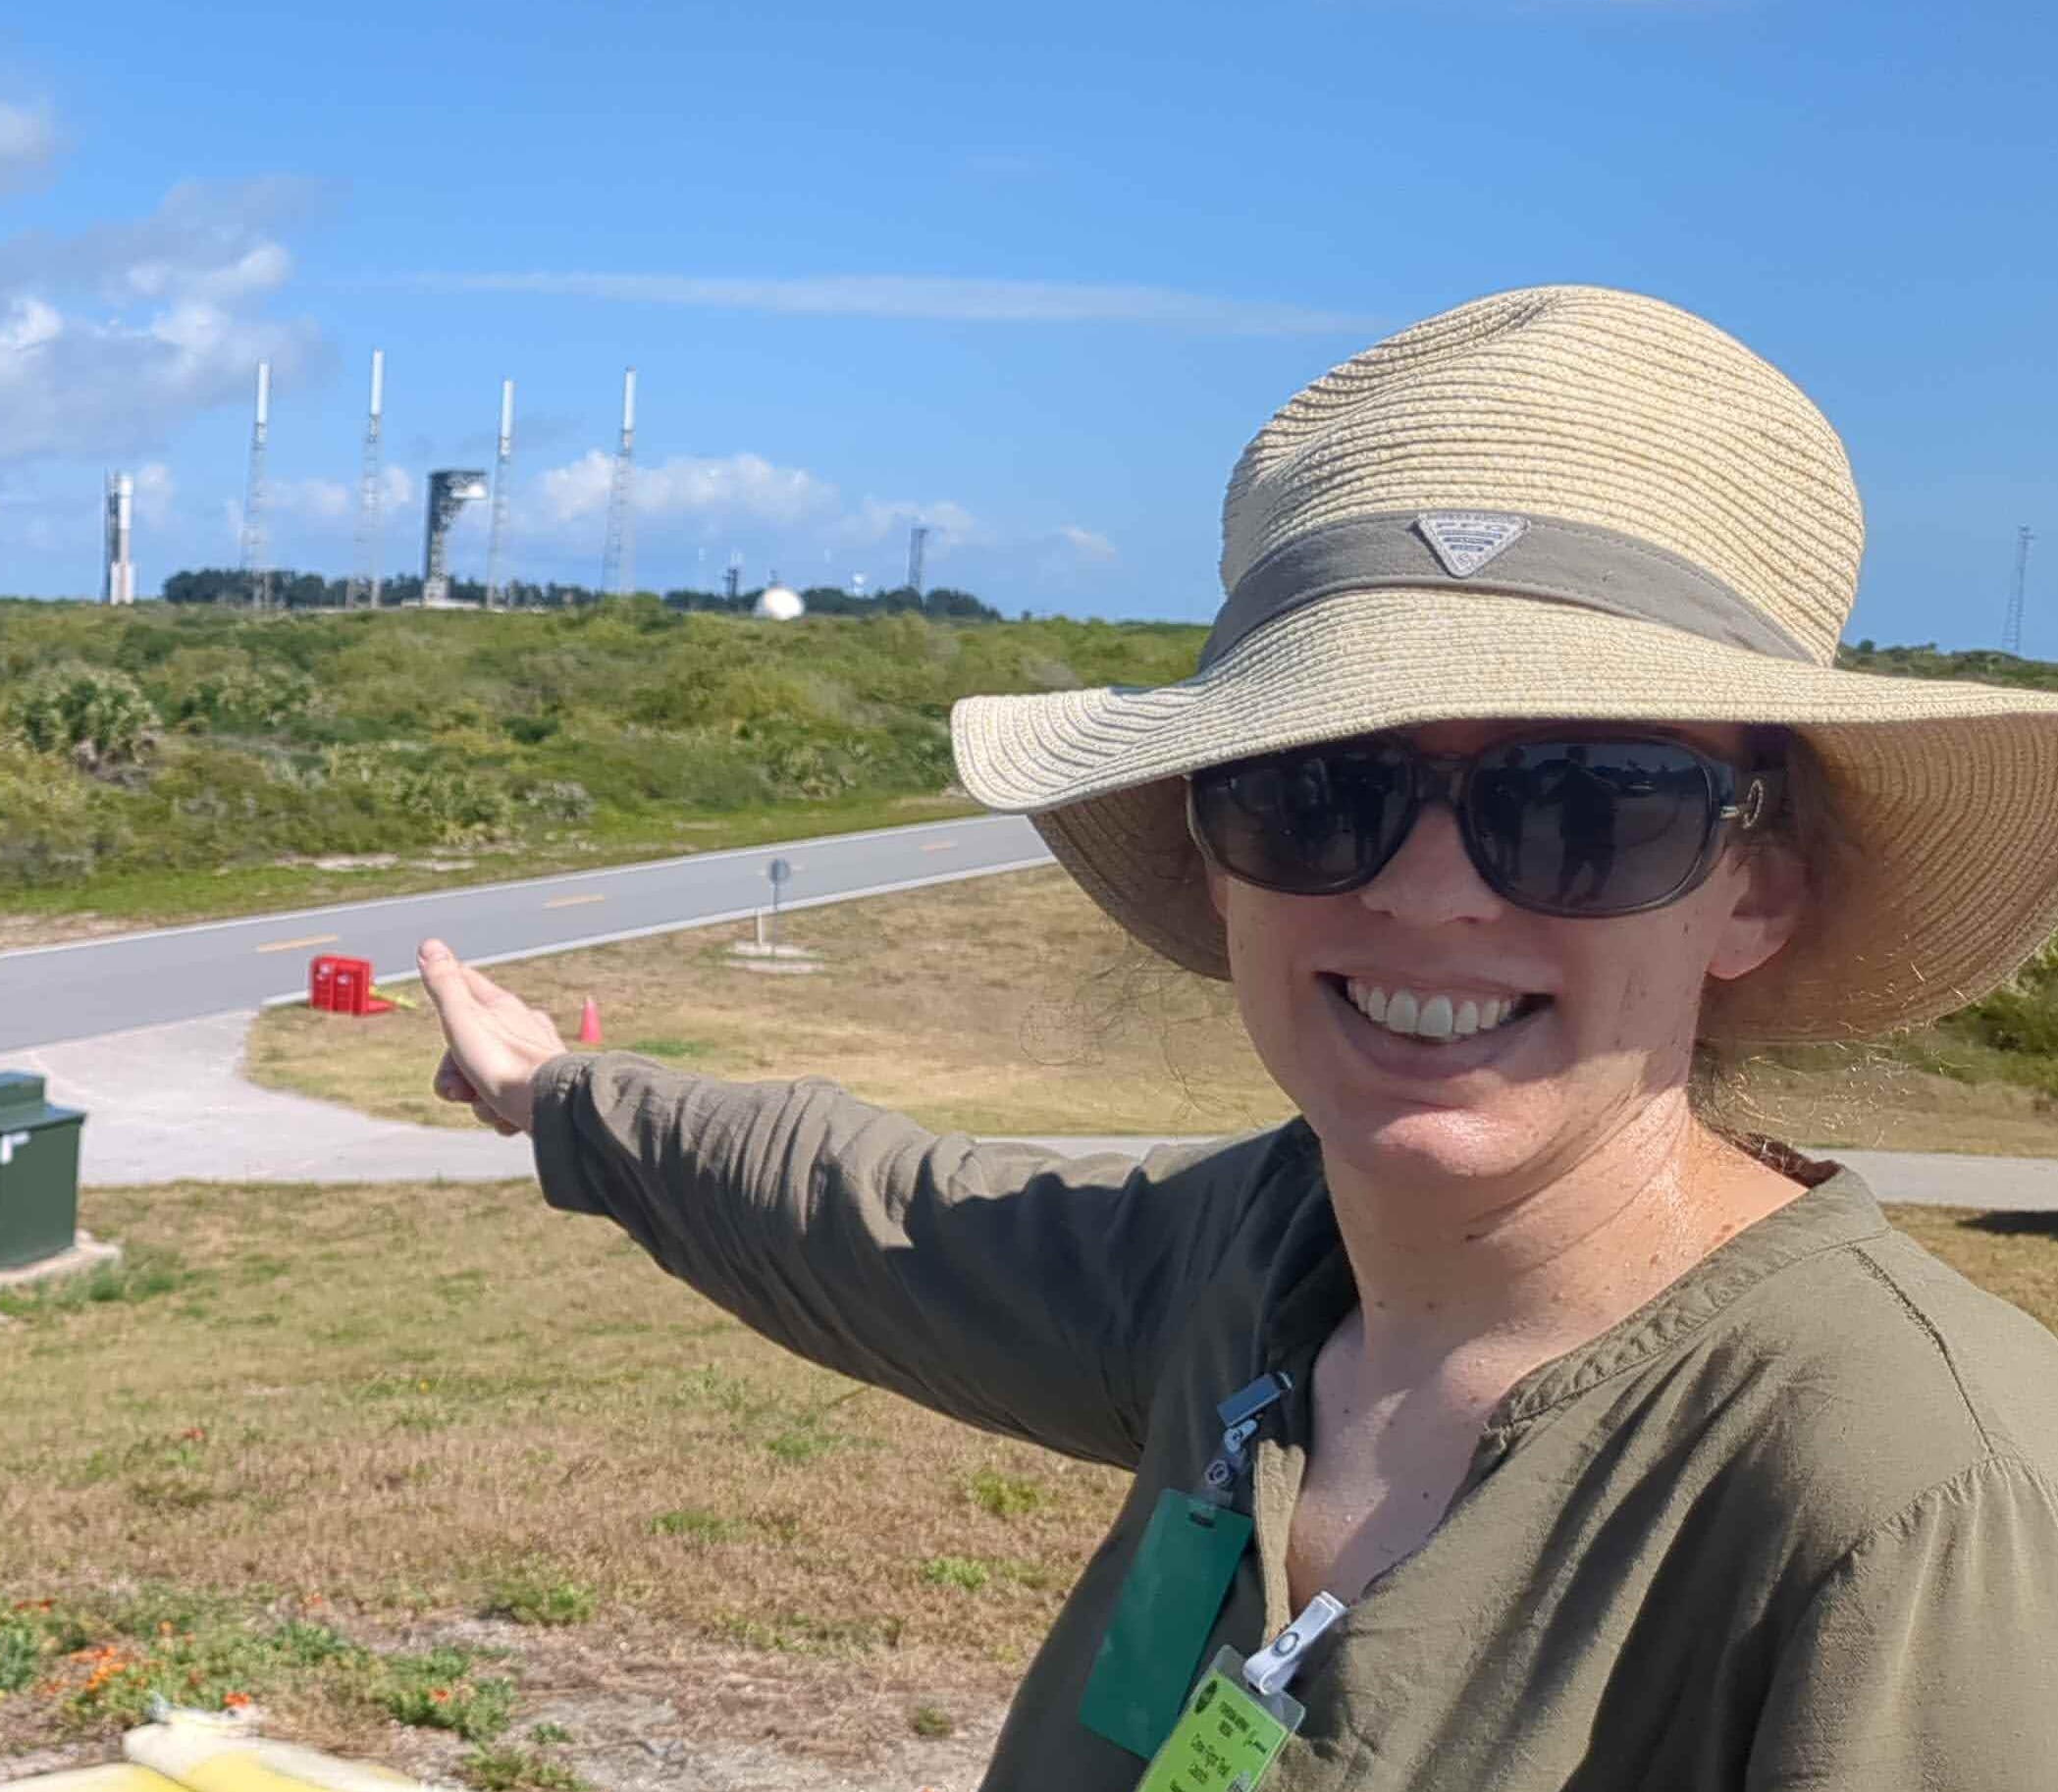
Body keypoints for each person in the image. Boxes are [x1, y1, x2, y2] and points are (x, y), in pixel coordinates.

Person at [417, 287, 2058, 1791]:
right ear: (1211, 860)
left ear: (1753, 885)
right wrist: (558, 1096)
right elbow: (890, 1220)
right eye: (1316, 788)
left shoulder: (1910, 1492)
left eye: (1581, 802)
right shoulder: (1259, 1265)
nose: (1425, 896)